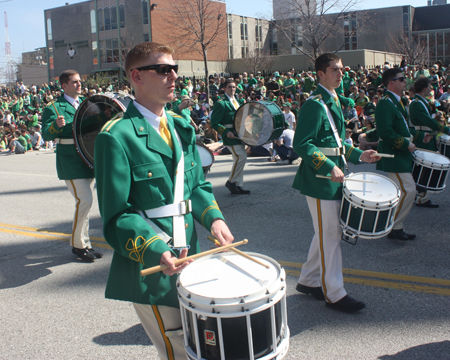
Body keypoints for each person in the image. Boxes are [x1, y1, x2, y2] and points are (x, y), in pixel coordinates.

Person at [94, 42, 234, 360]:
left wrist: (214, 218)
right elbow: (117, 218)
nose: (173, 76)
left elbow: (195, 185)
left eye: (174, 69)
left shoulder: (180, 126)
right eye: (163, 69)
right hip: (153, 265)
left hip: (191, 256)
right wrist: (156, 251)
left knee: (201, 344)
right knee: (178, 350)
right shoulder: (116, 136)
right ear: (137, 76)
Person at [292, 53, 380, 313]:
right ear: (320, 74)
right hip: (320, 180)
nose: (341, 74)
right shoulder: (314, 104)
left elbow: (337, 145)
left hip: (332, 178)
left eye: (342, 70)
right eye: (335, 70)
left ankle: (309, 280)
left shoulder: (333, 101)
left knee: (327, 232)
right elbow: (302, 144)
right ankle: (335, 293)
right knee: (330, 235)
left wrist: (359, 155)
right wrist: (328, 166)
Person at [41, 70, 102, 262]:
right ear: (64, 86)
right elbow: (47, 135)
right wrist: (56, 126)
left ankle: (85, 243)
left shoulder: (86, 103)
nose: (79, 84)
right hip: (70, 161)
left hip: (87, 158)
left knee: (85, 204)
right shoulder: (54, 107)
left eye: (79, 81)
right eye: (74, 82)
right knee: (84, 201)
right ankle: (78, 245)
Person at [375, 68, 432, 241]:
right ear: (391, 83)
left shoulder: (397, 101)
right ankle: (393, 226)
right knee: (409, 190)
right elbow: (385, 132)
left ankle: (393, 226)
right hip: (394, 155)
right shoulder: (385, 103)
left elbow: (403, 129)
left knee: (402, 191)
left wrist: (422, 135)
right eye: (401, 79)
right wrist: (405, 144)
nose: (405, 81)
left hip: (400, 155)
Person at [409, 77, 450, 208]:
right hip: (423, 138)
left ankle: (421, 195)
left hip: (427, 137)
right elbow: (427, 122)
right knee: (423, 166)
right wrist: (445, 129)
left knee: (424, 166)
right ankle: (421, 197)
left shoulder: (421, 101)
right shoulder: (416, 103)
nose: (431, 89)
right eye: (429, 87)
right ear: (424, 88)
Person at [211, 78, 250, 194]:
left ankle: (237, 184)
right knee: (241, 156)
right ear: (224, 89)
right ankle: (231, 182)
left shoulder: (236, 101)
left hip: (238, 134)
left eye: (234, 87)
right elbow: (214, 122)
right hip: (230, 135)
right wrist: (225, 132)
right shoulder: (221, 103)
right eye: (230, 87)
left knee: (238, 158)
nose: (232, 89)